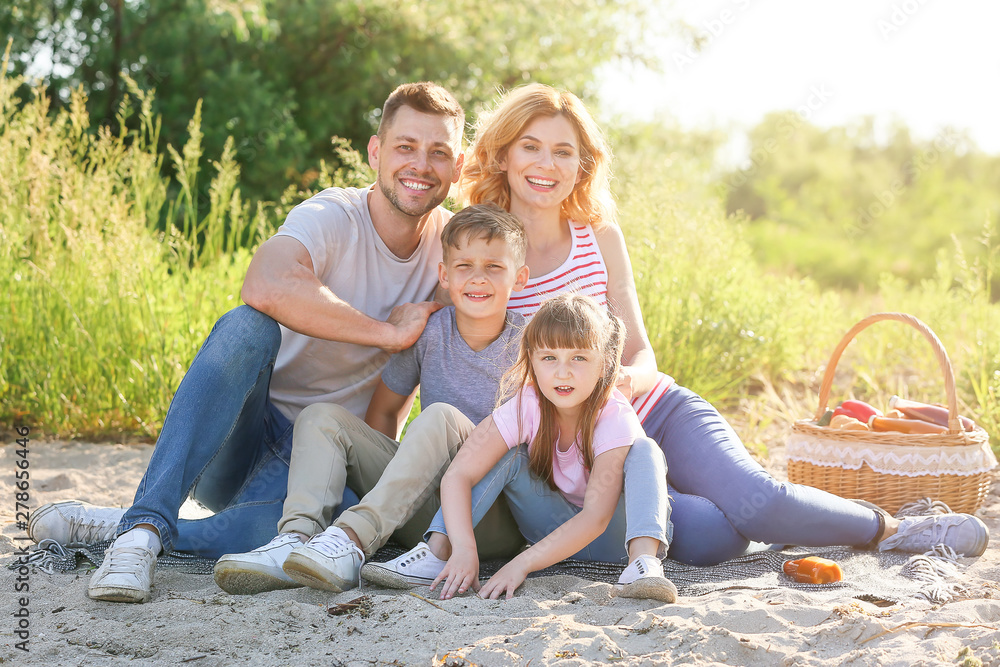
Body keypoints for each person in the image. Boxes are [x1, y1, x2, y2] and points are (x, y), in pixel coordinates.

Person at [453, 83, 990, 565]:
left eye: (563, 151)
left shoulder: (600, 238)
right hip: (581, 448)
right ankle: (761, 519)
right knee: (715, 537)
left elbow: (641, 351)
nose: (546, 163)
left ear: (581, 166)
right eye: (531, 146)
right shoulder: (478, 251)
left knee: (758, 499)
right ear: (502, 155)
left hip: (652, 408)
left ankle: (893, 528)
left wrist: (622, 381)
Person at [26, 81, 467, 603]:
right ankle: (140, 531)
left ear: (457, 168)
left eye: (439, 152)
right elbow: (265, 283)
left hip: (319, 459)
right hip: (241, 436)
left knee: (297, 541)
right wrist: (386, 333)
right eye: (405, 147)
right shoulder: (333, 215)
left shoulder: (455, 252)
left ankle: (118, 525)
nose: (421, 165)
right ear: (375, 151)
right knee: (247, 326)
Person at [212, 203, 530, 595]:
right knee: (322, 417)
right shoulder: (429, 333)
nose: (478, 278)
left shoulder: (532, 345)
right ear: (444, 276)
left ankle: (351, 540)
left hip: (491, 517)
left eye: (494, 267)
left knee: (440, 417)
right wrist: (397, 483)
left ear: (521, 277)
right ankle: (295, 540)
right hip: (426, 509)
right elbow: (383, 413)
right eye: (464, 266)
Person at [362, 294, 677, 602]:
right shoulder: (527, 405)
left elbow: (595, 518)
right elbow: (458, 475)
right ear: (532, 360)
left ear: (604, 363)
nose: (562, 372)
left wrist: (520, 564)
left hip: (615, 538)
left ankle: (643, 564)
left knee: (646, 450)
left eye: (579, 358)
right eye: (549, 358)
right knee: (509, 455)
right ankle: (438, 552)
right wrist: (464, 548)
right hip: (550, 530)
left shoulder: (613, 415)